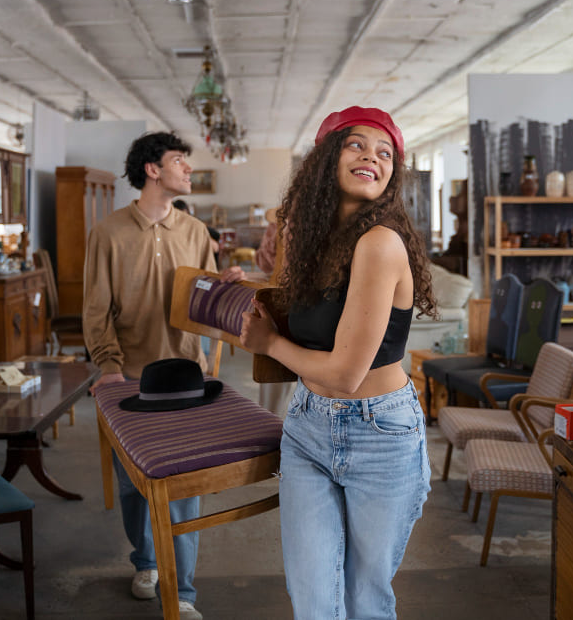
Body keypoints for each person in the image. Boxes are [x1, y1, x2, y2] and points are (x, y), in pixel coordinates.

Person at [240, 106, 437, 619]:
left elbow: (347, 375)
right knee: (313, 602)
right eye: (357, 145)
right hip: (308, 426)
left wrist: (269, 344)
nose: (372, 156)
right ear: (326, 158)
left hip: (380, 435)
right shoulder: (313, 242)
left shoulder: (380, 243)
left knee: (363, 600)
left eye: (385, 152)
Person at [83, 131, 244, 620]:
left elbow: (207, 311)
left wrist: (226, 290)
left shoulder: (197, 233)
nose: (188, 170)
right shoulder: (108, 232)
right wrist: (108, 366)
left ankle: (184, 592)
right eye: (180, 162)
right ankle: (146, 561)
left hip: (185, 380)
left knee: (183, 488)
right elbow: (95, 311)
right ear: (152, 169)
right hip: (128, 380)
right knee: (133, 486)